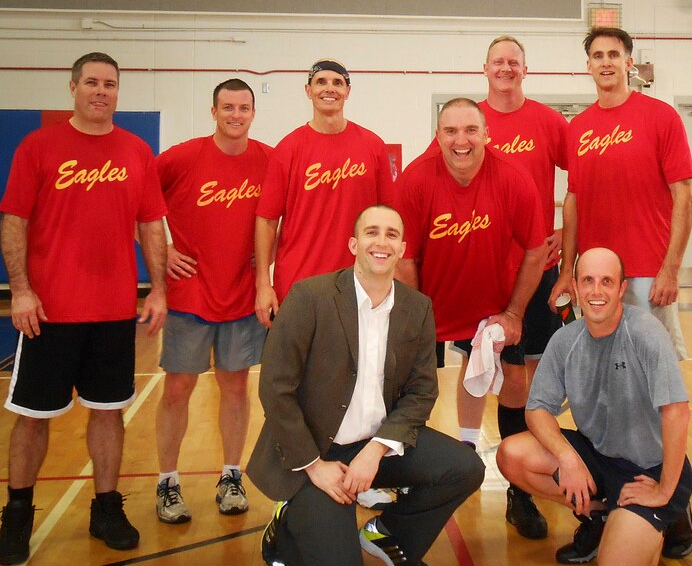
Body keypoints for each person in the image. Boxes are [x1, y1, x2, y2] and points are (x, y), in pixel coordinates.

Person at [247, 205, 484, 566]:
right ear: (354, 244)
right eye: (372, 232)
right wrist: (314, 466)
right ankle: (286, 525)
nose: (381, 242)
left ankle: (388, 534)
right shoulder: (310, 297)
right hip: (316, 453)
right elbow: (274, 388)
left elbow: (422, 392)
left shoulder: (417, 308)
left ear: (402, 248)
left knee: (465, 467)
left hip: (375, 447)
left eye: (391, 234)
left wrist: (375, 451)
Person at [0, 52, 167, 563]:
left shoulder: (137, 151)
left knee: (109, 413)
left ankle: (106, 507)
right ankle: (17, 515)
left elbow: (150, 224)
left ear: (119, 92)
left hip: (114, 311)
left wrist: (158, 289)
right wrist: (22, 289)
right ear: (72, 87)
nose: (101, 91)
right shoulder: (38, 146)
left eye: (110, 84)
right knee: (32, 418)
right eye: (92, 82)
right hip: (48, 312)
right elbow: (14, 220)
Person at [395, 96, 547, 536]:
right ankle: (415, 477)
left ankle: (521, 492)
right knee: (411, 388)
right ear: (438, 136)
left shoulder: (513, 179)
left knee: (514, 383)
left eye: (470, 131)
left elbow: (536, 250)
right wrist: (417, 318)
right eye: (450, 131)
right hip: (431, 300)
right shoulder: (417, 180)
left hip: (493, 302)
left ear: (486, 134)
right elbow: (405, 260)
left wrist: (515, 312)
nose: (461, 141)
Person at [497, 248, 692, 566]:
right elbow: (537, 410)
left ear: (621, 288)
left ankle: (666, 512)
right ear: (574, 287)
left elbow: (677, 411)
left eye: (606, 281)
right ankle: (600, 515)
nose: (597, 291)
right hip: (598, 460)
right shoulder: (565, 341)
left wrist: (664, 489)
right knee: (511, 454)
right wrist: (568, 459)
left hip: (649, 473)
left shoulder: (644, 332)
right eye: (588, 280)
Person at [153, 79, 272, 524]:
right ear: (214, 111)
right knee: (178, 389)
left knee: (236, 389)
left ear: (253, 113)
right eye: (228, 107)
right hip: (190, 294)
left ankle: (230, 476)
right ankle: (167, 481)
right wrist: (161, 250)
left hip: (242, 294)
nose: (235, 114)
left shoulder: (268, 160)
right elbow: (134, 200)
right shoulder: (184, 156)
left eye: (244, 107)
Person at [549, 27, 692, 361]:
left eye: (613, 55)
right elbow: (573, 200)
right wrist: (567, 270)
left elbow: (684, 195)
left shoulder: (661, 117)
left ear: (629, 62)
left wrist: (670, 269)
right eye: (597, 56)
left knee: (655, 368)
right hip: (595, 274)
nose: (606, 62)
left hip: (648, 272)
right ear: (588, 66)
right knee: (604, 364)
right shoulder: (578, 127)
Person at [479, 35, 569, 539]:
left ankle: (526, 484)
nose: (506, 68)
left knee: (536, 377)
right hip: (487, 269)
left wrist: (566, 236)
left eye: (514, 61)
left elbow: (583, 179)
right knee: (502, 376)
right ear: (485, 68)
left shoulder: (548, 121)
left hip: (538, 269)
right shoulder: (472, 119)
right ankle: (511, 479)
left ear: (525, 70)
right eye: (499, 61)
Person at [254, 58, 394, 328]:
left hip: (360, 284)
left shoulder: (373, 146)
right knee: (301, 369)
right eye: (321, 82)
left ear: (348, 92)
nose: (329, 89)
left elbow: (389, 220)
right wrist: (263, 284)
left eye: (337, 83)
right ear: (308, 91)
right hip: (298, 285)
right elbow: (267, 220)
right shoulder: (288, 148)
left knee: (354, 369)